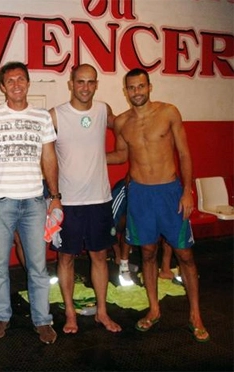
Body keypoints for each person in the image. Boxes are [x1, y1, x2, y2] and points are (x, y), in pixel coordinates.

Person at [107, 68, 209, 342]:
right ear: (125, 91)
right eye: (131, 88)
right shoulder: (122, 123)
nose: (136, 92)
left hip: (169, 192)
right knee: (148, 253)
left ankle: (195, 315)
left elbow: (184, 154)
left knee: (184, 254)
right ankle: (154, 309)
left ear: (149, 87)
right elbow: (120, 155)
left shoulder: (168, 112)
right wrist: (86, 157)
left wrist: (186, 192)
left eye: (141, 86)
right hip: (140, 194)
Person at [0, 61, 61, 344]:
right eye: (10, 81)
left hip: (35, 201)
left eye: (21, 79)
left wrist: (55, 197)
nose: (16, 84)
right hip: (0, 201)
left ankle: (42, 320)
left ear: (28, 83)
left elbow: (49, 158)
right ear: (2, 86)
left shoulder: (42, 117)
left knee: (38, 265)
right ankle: (1, 316)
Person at [49, 64, 122, 335]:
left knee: (99, 257)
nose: (85, 87)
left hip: (99, 199)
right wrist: (51, 196)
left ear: (96, 84)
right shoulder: (56, 115)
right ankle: (70, 313)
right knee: (66, 258)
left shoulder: (103, 111)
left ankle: (102, 312)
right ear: (71, 84)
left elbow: (128, 128)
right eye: (80, 82)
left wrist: (112, 156)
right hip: (68, 202)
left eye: (91, 82)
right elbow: (41, 153)